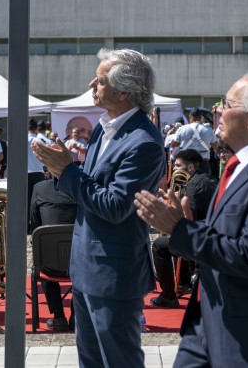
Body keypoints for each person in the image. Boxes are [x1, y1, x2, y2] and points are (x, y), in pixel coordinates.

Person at [134, 73, 248, 368]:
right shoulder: (242, 165)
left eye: (225, 103)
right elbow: (226, 235)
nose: (217, 111)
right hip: (208, 324)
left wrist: (179, 229)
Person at [32, 48, 166, 368]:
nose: (92, 83)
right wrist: (66, 170)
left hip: (114, 273)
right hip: (86, 267)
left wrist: (67, 171)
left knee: (118, 361)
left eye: (101, 80)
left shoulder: (143, 142)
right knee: (90, 361)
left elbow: (116, 206)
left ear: (124, 90)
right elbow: (90, 189)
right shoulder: (103, 129)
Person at [148, 149, 216, 309]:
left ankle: (168, 296)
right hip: (211, 232)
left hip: (203, 237)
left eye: (178, 165)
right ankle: (184, 283)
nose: (175, 169)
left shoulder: (193, 184)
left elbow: (188, 219)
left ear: (190, 168)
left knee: (159, 245)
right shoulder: (210, 179)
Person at [29, 170, 78, 332]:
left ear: (47, 171)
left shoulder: (39, 188)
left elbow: (35, 223)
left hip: (50, 266)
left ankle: (58, 316)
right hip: (79, 264)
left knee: (43, 256)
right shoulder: (81, 187)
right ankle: (76, 317)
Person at [170, 108, 218, 173]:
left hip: (185, 161)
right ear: (200, 118)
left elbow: (174, 144)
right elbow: (215, 145)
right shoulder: (208, 130)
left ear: (190, 117)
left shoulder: (182, 129)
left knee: (183, 181)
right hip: (203, 162)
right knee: (203, 182)